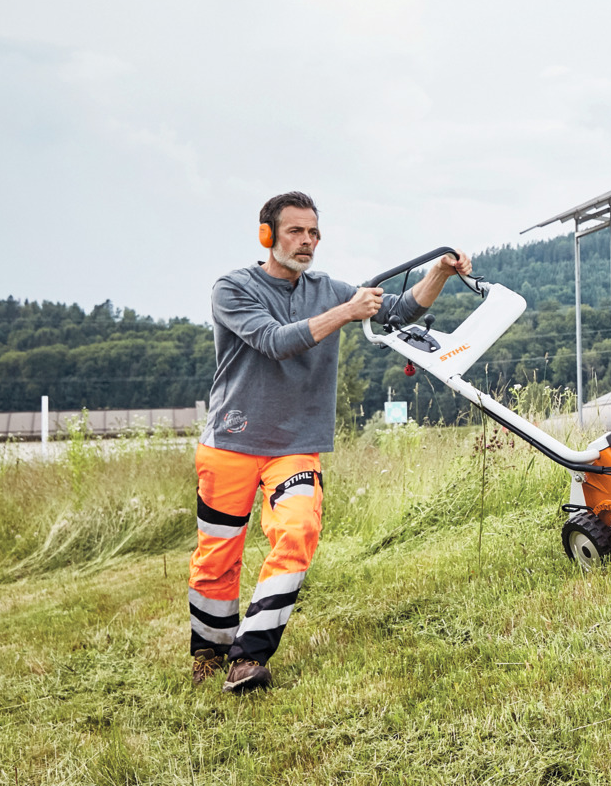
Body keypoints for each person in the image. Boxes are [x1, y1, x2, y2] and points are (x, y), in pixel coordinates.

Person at [189, 192, 471, 693]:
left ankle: (248, 656)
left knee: (297, 532)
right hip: (230, 443)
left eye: (314, 233)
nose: (307, 242)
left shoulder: (328, 290)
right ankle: (209, 650)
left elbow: (397, 312)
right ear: (267, 235)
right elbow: (274, 341)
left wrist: (440, 275)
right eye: (295, 231)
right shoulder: (231, 289)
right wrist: (345, 313)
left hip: (295, 444)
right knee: (218, 556)